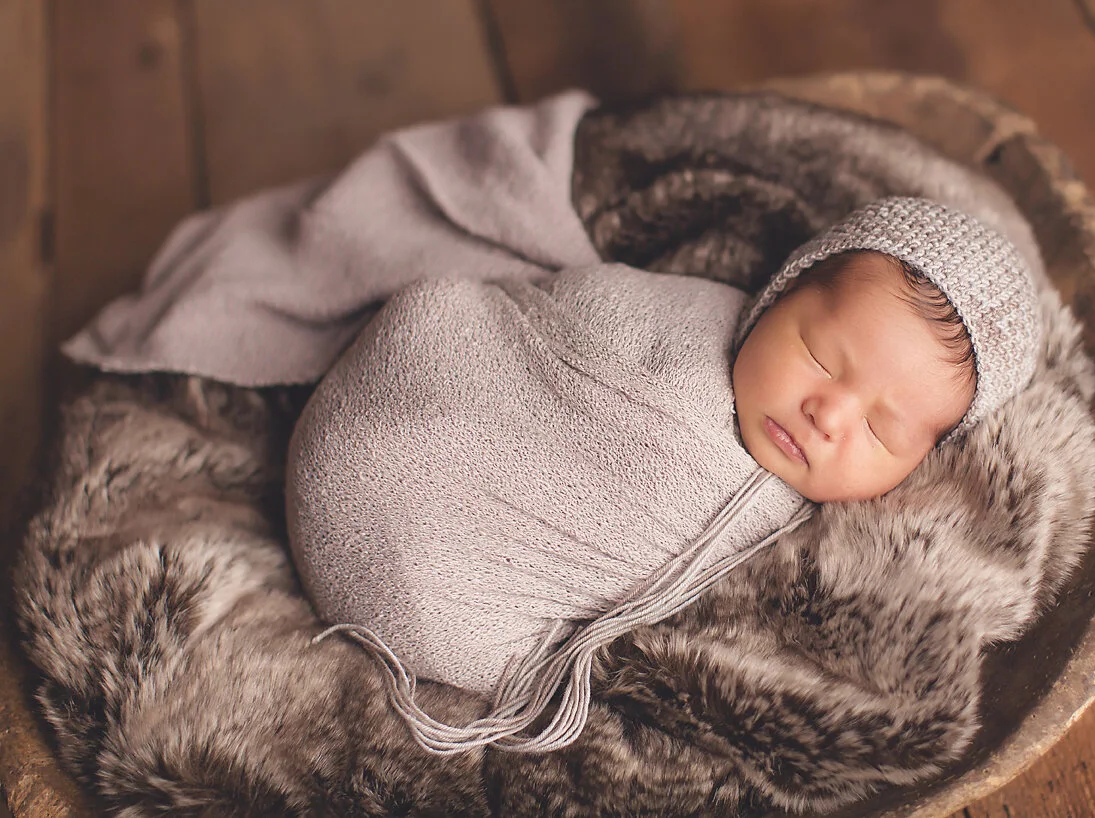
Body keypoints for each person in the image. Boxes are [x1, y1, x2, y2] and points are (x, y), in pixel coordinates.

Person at [285, 196, 1040, 754]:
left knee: (455, 625)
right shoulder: (677, 315)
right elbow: (533, 314)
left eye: (881, 429)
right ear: (779, 294)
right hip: (411, 387)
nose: (828, 415)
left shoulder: (811, 548)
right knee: (433, 317)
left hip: (425, 571)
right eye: (818, 354)